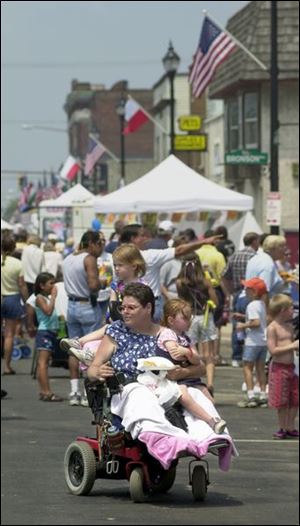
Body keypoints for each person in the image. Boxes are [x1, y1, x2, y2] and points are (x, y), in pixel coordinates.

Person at [87, 283, 235, 470]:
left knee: (194, 394)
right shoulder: (116, 331)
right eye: (122, 307)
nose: (125, 312)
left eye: (131, 307)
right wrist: (97, 372)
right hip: (128, 388)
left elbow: (200, 369)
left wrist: (183, 372)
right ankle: (163, 440)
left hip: (164, 386)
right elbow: (92, 369)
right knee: (141, 394)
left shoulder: (166, 334)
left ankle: (210, 437)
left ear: (148, 308)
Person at [119, 224, 221, 323]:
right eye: (142, 235)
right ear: (133, 238)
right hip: (149, 305)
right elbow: (179, 250)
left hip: (125, 305)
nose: (146, 238)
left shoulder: (115, 257)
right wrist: (203, 242)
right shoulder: (148, 256)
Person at [156, 298, 226, 433]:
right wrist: (188, 354)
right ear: (171, 320)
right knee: (183, 396)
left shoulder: (185, 337)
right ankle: (210, 421)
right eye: (185, 318)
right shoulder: (167, 333)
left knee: (209, 398)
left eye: (190, 317)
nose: (190, 321)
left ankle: (212, 424)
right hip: (172, 379)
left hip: (189, 377)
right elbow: (175, 354)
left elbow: (196, 359)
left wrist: (187, 352)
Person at [62, 230, 105, 406]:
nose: (102, 247)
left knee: (74, 347)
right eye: (100, 243)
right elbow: (93, 285)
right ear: (91, 243)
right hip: (87, 305)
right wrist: (104, 282)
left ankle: (74, 391)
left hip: (71, 305)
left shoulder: (68, 258)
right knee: (91, 348)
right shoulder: (89, 258)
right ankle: (89, 392)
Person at [176, 253, 218, 397]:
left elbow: (181, 302)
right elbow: (215, 301)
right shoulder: (205, 281)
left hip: (190, 318)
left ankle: (195, 382)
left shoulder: (180, 282)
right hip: (206, 317)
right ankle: (210, 383)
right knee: (209, 355)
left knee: (191, 352)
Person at [222, 232, 260, 367]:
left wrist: (230, 292)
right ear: (254, 241)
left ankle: (236, 356)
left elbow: (224, 275)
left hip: (238, 292)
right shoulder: (255, 256)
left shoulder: (234, 256)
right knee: (253, 322)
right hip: (253, 292)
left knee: (237, 325)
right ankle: (251, 355)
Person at [267, 294, 299, 439]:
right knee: (281, 400)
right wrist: (292, 345)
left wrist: (295, 347)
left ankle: (290, 426)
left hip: (291, 367)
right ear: (282, 310)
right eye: (291, 307)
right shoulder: (272, 328)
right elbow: (273, 350)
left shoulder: (289, 326)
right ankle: (282, 427)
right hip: (279, 368)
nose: (293, 309)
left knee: (294, 399)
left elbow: (292, 346)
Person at [236, 278, 268, 408]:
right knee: (260, 368)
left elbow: (256, 322)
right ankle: (262, 394)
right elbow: (258, 319)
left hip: (252, 342)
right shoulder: (261, 304)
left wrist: (242, 325)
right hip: (262, 341)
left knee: (247, 368)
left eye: (247, 289)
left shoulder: (251, 305)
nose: (245, 291)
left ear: (254, 292)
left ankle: (251, 396)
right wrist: (244, 317)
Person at [33, 272, 63, 402]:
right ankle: (47, 392)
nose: (53, 286)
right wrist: (54, 297)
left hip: (50, 332)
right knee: (43, 364)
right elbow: (48, 311)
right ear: (42, 285)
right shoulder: (40, 298)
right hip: (44, 332)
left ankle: (43, 391)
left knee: (43, 363)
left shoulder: (45, 297)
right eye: (51, 283)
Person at [1, 235, 28, 374]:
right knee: (9, 335)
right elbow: (22, 285)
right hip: (12, 298)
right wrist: (27, 300)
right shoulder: (17, 263)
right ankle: (6, 366)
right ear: (13, 247)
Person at [108, 244, 147, 321]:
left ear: (134, 266)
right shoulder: (116, 285)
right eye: (115, 265)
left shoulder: (143, 286)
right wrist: (109, 317)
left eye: (120, 265)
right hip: (118, 322)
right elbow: (111, 306)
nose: (116, 268)